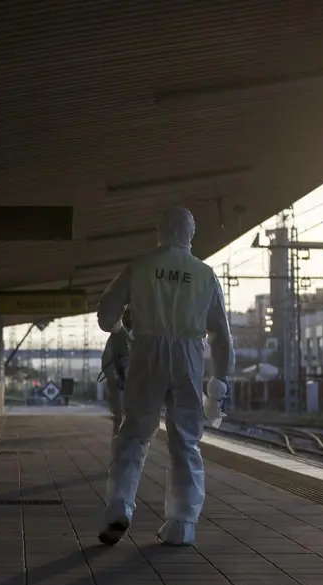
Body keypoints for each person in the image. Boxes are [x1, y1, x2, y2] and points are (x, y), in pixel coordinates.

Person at [94, 206, 234, 547]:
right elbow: (221, 337)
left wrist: (122, 331)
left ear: (159, 231)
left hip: (147, 352)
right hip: (188, 356)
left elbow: (105, 315)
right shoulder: (205, 274)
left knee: (133, 434)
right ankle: (182, 524)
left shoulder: (140, 267)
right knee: (185, 441)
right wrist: (218, 387)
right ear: (191, 234)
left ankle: (119, 507)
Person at [100, 307, 132, 439]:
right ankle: (120, 449)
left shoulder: (143, 336)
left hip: (132, 383)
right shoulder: (117, 337)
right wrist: (114, 377)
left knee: (128, 419)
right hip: (120, 383)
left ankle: (123, 450)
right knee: (120, 419)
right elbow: (107, 361)